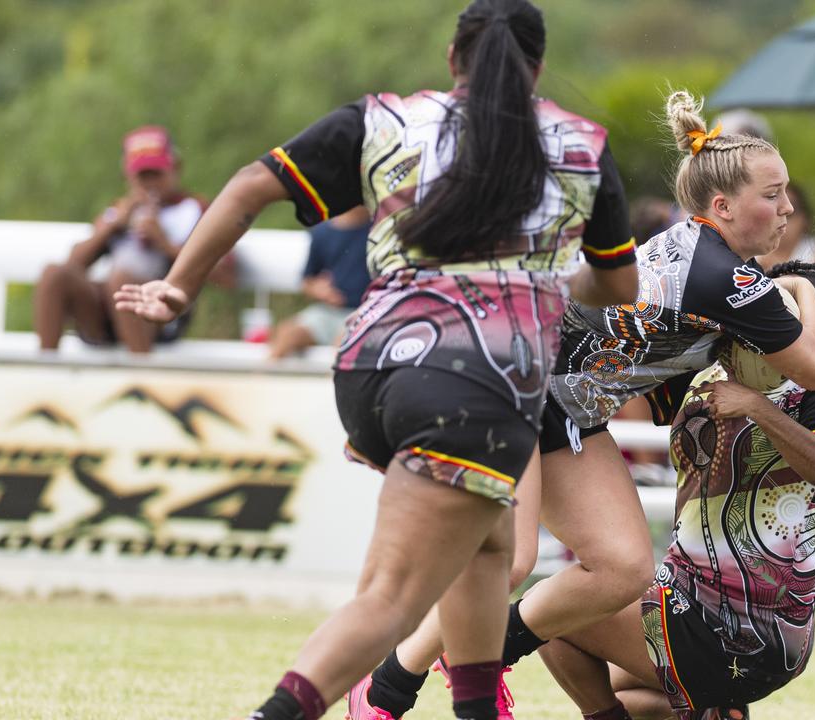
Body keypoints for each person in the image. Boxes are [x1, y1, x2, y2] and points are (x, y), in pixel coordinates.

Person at [361, 90, 815, 716]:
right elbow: (812, 360)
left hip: (559, 406)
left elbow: (805, 336)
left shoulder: (718, 265)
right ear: (723, 205)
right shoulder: (723, 279)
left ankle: (467, 665)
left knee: (618, 569)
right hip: (514, 385)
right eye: (771, 195)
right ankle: (392, 688)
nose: (788, 208)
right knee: (520, 559)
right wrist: (804, 281)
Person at [114, 3, 639, 719]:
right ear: (539, 68)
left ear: (454, 56)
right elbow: (618, 287)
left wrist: (178, 287)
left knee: (490, 548)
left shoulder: (385, 120)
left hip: (372, 367)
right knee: (391, 597)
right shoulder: (579, 144)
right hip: (476, 384)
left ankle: (476, 708)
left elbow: (246, 186)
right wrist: (545, 279)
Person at [536, 262, 815, 720]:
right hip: (683, 601)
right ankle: (713, 714)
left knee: (552, 618)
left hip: (748, 626)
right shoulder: (714, 374)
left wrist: (758, 408)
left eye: (772, 316)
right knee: (631, 694)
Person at [34, 125, 207, 353]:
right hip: (107, 314)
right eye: (142, 176)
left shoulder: (192, 209)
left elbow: (219, 271)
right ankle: (46, 367)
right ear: (128, 177)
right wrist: (110, 229)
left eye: (156, 173)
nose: (149, 183)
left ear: (175, 169)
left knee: (123, 279)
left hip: (164, 314)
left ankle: (139, 375)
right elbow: (74, 263)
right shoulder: (118, 211)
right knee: (54, 274)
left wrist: (163, 242)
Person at [267, 205, 372, 360]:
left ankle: (335, 384)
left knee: (347, 341)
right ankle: (261, 378)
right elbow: (307, 280)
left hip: (363, 312)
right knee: (287, 334)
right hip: (326, 313)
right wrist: (320, 290)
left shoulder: (378, 232)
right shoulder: (322, 232)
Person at [756, 181, 815, 295]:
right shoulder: (749, 253)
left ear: (805, 219)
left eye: (790, 213)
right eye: (772, 211)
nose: (782, 219)